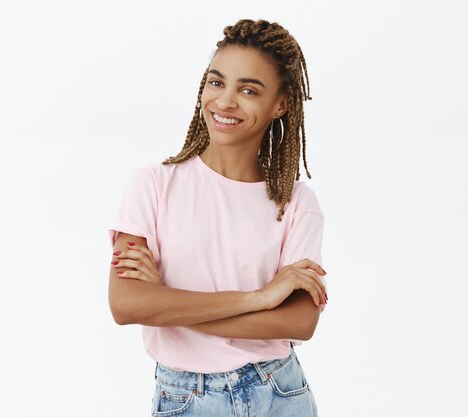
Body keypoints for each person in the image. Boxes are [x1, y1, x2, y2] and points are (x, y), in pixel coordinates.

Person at [107, 18, 328, 417]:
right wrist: (260, 299)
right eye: (216, 82)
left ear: (280, 104)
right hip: (187, 399)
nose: (225, 101)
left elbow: (299, 321)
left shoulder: (295, 203)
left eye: (248, 89)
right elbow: (127, 304)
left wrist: (167, 304)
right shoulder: (153, 185)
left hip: (278, 393)